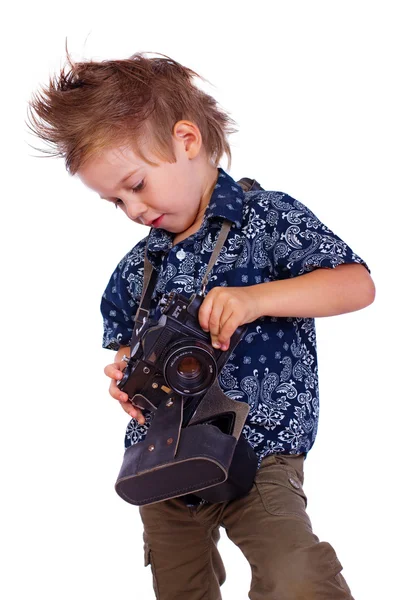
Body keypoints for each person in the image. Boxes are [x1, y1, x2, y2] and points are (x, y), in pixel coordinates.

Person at [26, 48, 375, 600]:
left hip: (259, 449)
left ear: (186, 141)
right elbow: (125, 353)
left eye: (136, 185)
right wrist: (124, 378)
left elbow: (357, 285)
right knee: (180, 586)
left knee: (297, 576)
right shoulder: (134, 271)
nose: (133, 210)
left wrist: (256, 299)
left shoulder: (268, 219)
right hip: (162, 457)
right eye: (114, 202)